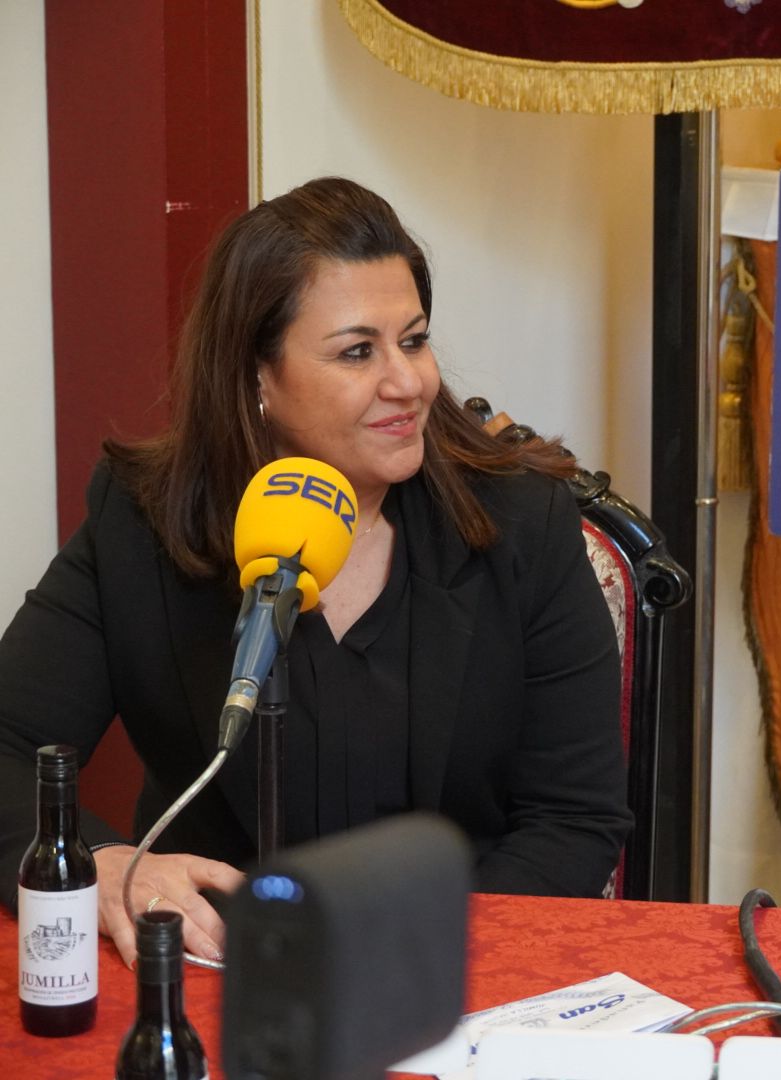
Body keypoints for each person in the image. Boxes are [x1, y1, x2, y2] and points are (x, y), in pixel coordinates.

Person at [0, 177, 631, 967]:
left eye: (414, 340)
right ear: (256, 377)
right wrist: (99, 865)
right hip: (219, 969)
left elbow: (574, 820)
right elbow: (7, 744)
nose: (409, 382)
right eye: (357, 351)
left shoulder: (520, 522)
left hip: (456, 969)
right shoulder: (144, 524)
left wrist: (423, 959)